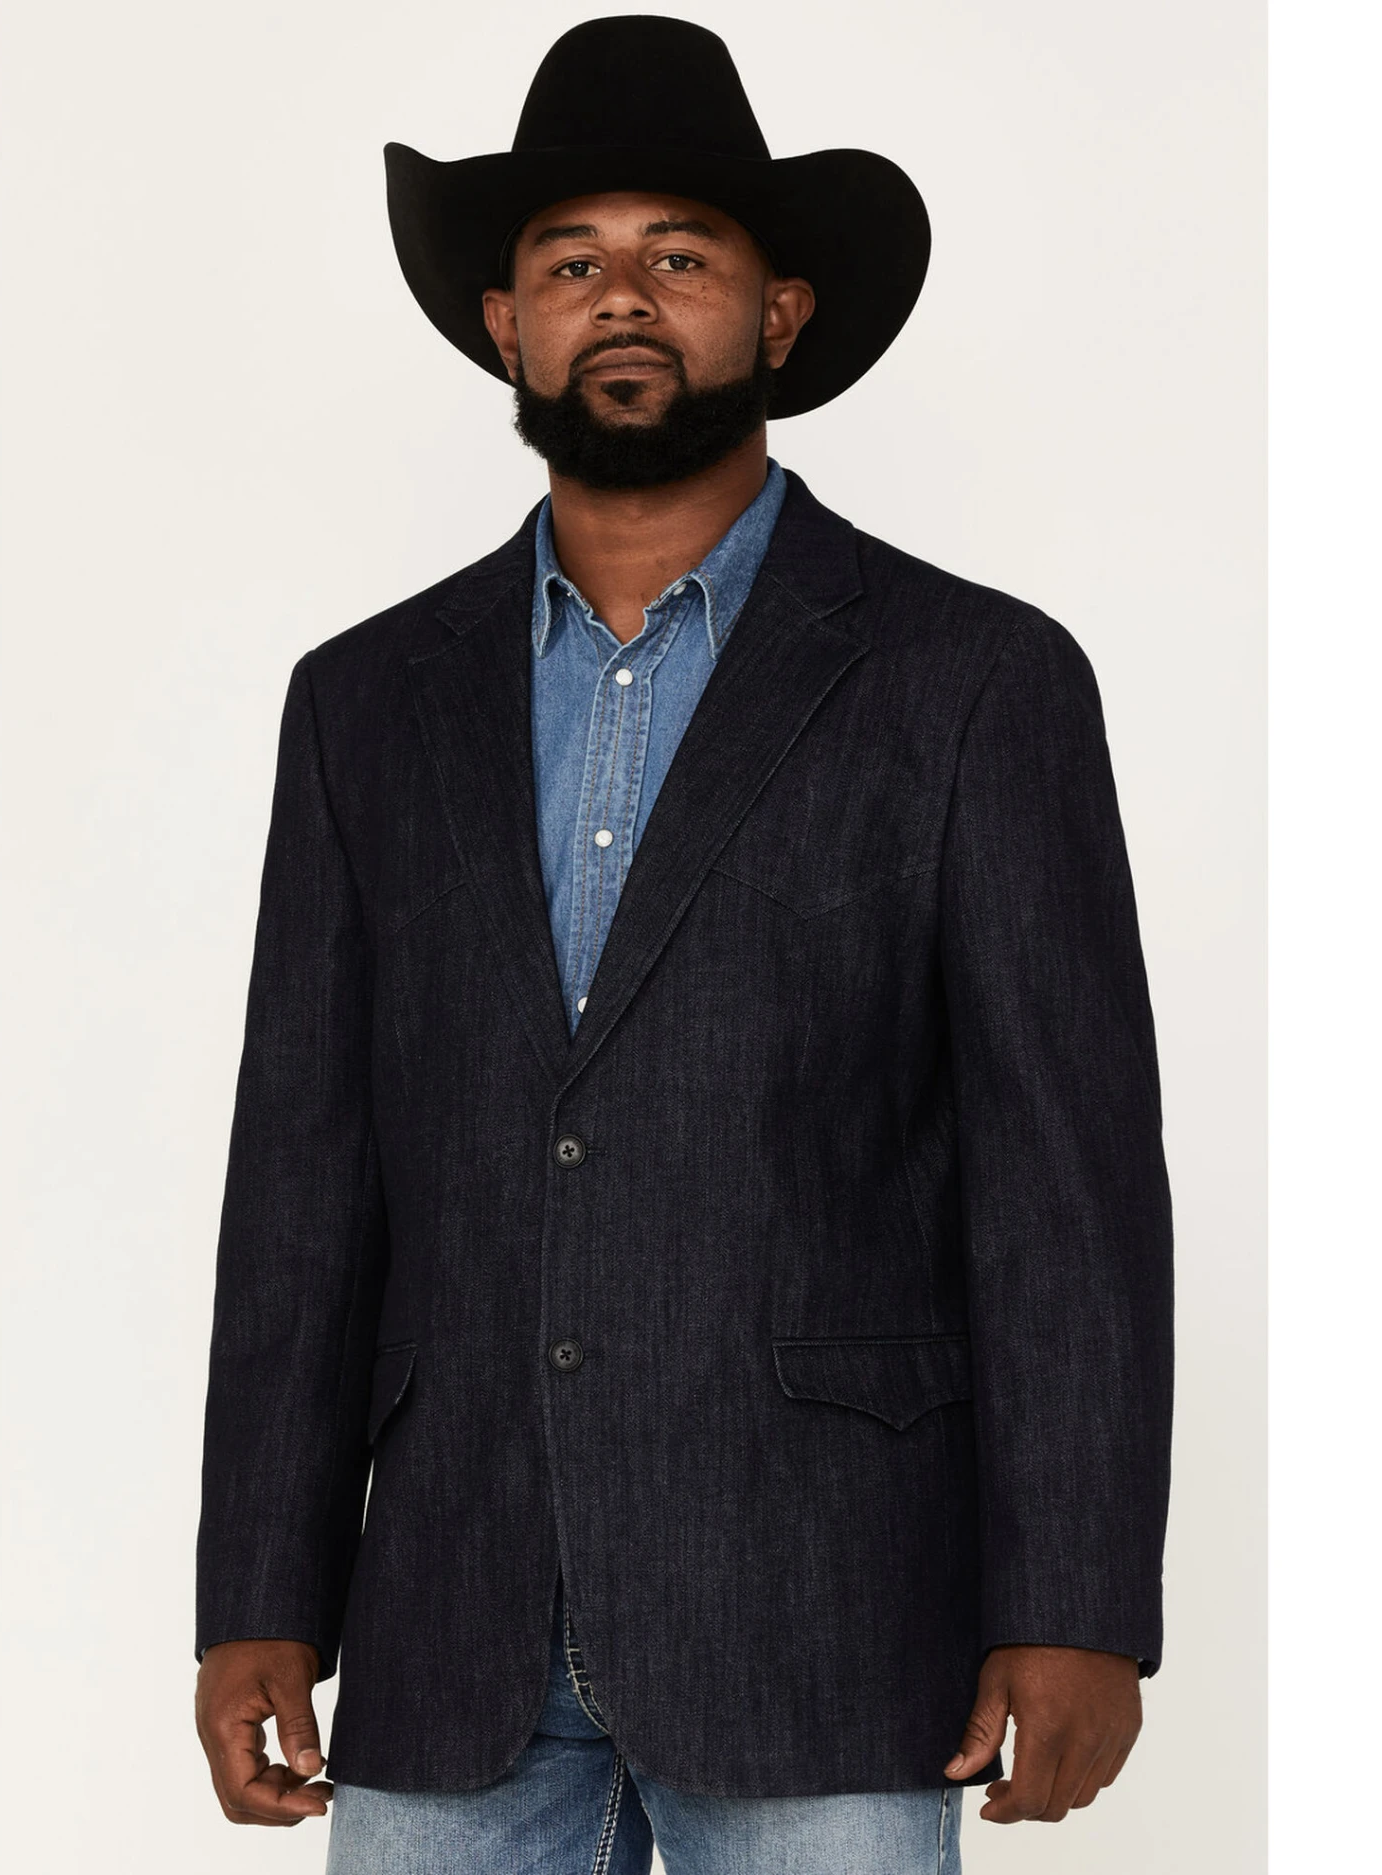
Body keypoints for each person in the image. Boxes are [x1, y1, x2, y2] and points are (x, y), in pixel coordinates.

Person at [192, 17, 1175, 1873]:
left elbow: (1068, 1181)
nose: (622, 298)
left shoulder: (975, 681)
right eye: (572, 264)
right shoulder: (365, 702)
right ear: (507, 324)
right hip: (454, 1607)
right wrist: (260, 1583)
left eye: (680, 257)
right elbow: (304, 1174)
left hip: (825, 1605)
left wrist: (1079, 1600)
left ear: (780, 315)